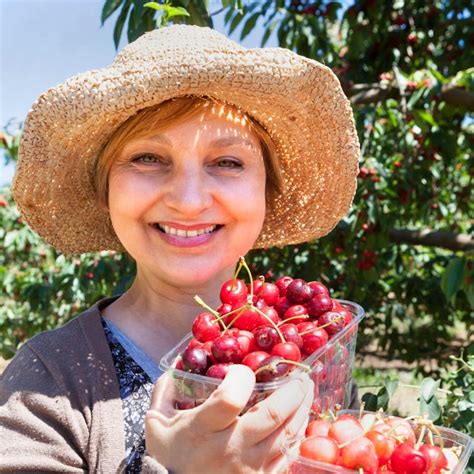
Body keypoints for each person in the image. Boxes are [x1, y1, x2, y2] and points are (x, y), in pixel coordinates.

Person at [0, 25, 360, 473]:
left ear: (267, 191)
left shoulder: (312, 345)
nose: (188, 201)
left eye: (227, 162)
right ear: (105, 190)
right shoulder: (48, 384)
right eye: (148, 158)